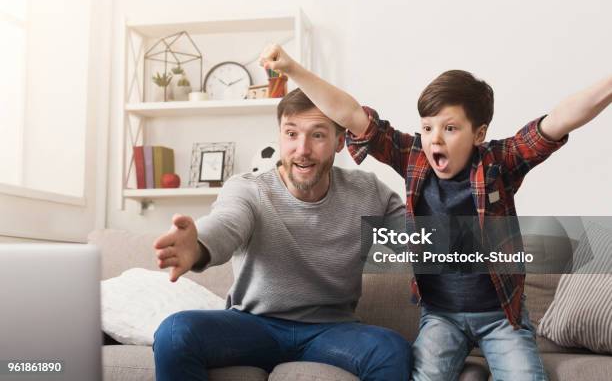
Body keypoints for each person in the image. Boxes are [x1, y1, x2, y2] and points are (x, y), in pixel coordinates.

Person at [259, 43, 612, 381]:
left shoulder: (498, 163)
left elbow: (557, 122)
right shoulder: (413, 157)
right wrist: (291, 68)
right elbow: (351, 114)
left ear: (479, 134)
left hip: (501, 316)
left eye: (450, 128)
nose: (435, 140)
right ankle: (468, 371)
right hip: (441, 315)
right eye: (427, 128)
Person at [152, 88, 411, 381]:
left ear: (340, 142)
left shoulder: (367, 192)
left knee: (391, 349)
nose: (302, 149)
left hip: (333, 329)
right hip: (253, 325)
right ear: (279, 137)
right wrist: (198, 245)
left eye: (317, 135)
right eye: (291, 134)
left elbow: (424, 243)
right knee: (175, 332)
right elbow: (227, 223)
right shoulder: (249, 189)